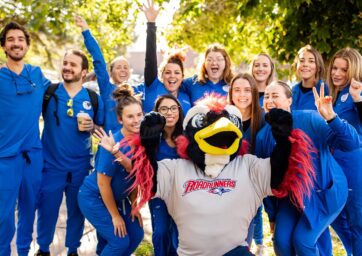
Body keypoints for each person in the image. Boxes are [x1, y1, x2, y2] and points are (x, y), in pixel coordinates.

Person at [256, 81, 360, 255]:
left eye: (275, 96)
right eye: (266, 96)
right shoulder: (263, 137)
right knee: (281, 242)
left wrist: (331, 117)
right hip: (293, 198)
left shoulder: (310, 118)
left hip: (326, 193)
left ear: (289, 101)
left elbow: (352, 143)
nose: (269, 100)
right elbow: (266, 182)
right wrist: (272, 216)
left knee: (302, 241)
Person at [35, 49, 104, 256]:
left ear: (83, 72)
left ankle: (73, 249)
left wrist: (92, 126)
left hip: (80, 167)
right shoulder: (50, 92)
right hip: (51, 166)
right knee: (46, 211)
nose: (67, 67)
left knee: (76, 212)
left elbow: (100, 131)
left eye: (73, 64)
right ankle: (43, 248)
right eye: (65, 63)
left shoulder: (93, 98)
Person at [0, 21, 50, 256]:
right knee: (3, 215)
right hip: (4, 158)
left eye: (20, 39)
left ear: (27, 45)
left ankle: (23, 251)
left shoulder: (37, 74)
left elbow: (63, 96)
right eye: (10, 39)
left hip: (32, 154)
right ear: (4, 46)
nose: (16, 43)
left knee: (29, 209)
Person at [78, 85, 144, 255]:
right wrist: (115, 216)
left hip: (119, 198)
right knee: (119, 241)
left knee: (136, 234)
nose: (136, 120)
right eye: (130, 116)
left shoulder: (141, 141)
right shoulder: (112, 143)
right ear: (120, 119)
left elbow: (135, 175)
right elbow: (103, 184)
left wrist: (135, 205)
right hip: (95, 197)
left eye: (139, 115)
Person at [326, 47, 362, 255]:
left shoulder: (357, 92)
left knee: (358, 223)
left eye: (343, 70)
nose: (337, 73)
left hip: (354, 165)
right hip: (334, 165)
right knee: (336, 216)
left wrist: (358, 98)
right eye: (335, 68)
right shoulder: (336, 94)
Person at [75, 16, 132, 133]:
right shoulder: (107, 88)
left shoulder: (136, 92)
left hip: (131, 146)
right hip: (110, 143)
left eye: (125, 67)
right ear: (111, 72)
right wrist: (86, 31)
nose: (123, 70)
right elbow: (99, 61)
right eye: (119, 67)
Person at [228, 73, 265, 255]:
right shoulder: (223, 117)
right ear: (231, 93)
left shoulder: (263, 118)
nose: (242, 95)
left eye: (247, 90)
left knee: (245, 237)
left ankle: (257, 243)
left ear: (254, 92)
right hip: (227, 184)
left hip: (253, 186)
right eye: (237, 90)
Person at [147, 94, 184, 255]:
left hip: (183, 194)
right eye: (164, 109)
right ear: (157, 112)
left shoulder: (187, 136)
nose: (169, 112)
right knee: (161, 231)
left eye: (173, 108)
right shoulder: (152, 138)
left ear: (179, 111)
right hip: (159, 194)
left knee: (179, 235)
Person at [141, 0, 191, 114]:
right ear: (161, 75)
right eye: (168, 72)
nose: (172, 76)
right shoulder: (153, 87)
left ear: (182, 77)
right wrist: (151, 24)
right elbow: (150, 60)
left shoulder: (186, 98)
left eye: (177, 73)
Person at [291, 45, 329, 110]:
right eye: (302, 61)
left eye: (311, 61)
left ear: (318, 68)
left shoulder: (326, 90)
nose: (305, 64)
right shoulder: (292, 91)